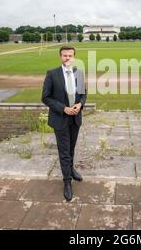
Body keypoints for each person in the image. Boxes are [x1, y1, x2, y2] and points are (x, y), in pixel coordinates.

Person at [42, 45, 86, 201]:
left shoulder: (79, 73)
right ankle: (67, 182)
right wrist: (64, 109)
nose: (67, 58)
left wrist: (80, 105)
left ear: (74, 57)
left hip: (75, 118)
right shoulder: (52, 74)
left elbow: (83, 94)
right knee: (64, 151)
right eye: (64, 55)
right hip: (60, 118)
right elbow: (45, 97)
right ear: (60, 57)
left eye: (70, 55)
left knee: (71, 148)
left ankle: (71, 170)